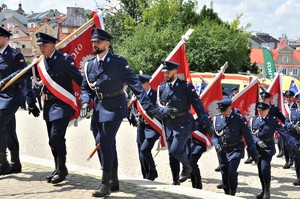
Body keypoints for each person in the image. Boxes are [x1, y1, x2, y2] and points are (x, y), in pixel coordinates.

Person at [80, 28, 159, 197]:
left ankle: (105, 184)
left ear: (107, 44)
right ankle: (114, 180)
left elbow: (135, 85)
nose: (95, 44)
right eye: (93, 42)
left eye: (98, 42)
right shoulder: (90, 65)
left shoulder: (118, 62)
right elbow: (85, 87)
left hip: (115, 106)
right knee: (104, 143)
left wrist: (148, 106)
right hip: (99, 107)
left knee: (105, 141)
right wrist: (86, 101)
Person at [35, 32, 83, 184]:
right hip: (48, 106)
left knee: (56, 137)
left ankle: (62, 169)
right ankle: (58, 167)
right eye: (40, 45)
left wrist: (91, 95)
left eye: (44, 45)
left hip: (63, 104)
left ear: (53, 45)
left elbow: (79, 79)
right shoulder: (40, 62)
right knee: (51, 140)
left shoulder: (64, 60)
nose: (41, 48)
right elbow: (32, 80)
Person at [157, 60, 212, 185]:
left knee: (175, 150)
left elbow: (198, 106)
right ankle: (175, 180)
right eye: (164, 73)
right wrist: (165, 110)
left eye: (168, 72)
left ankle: (187, 166)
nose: (166, 75)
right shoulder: (162, 87)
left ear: (175, 72)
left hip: (184, 122)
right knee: (172, 155)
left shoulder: (185, 86)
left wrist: (207, 124)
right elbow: (158, 105)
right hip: (169, 124)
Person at [0, 27, 40, 175]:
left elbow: (25, 74)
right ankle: (15, 164)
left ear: (6, 38)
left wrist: (30, 100)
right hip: (0, 97)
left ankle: (3, 164)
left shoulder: (15, 55)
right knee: (9, 129)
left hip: (11, 97)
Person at [212, 98, 259, 196]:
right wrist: (216, 145)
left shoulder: (239, 119)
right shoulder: (217, 118)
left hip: (235, 149)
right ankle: (226, 192)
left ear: (230, 108)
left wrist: (254, 154)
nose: (223, 113)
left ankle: (232, 192)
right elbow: (214, 136)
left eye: (224, 110)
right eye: (221, 111)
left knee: (231, 172)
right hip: (222, 150)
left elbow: (248, 137)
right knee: (224, 172)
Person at [251, 102, 297, 199]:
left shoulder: (272, 120)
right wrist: (257, 140)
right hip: (257, 149)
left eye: (262, 110)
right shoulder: (254, 120)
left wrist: (293, 144)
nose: (260, 112)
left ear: (267, 111)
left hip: (268, 148)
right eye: (259, 110)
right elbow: (250, 134)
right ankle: (263, 190)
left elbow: (283, 132)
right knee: (260, 171)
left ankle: (267, 191)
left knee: (265, 168)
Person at [245, 91, 286, 164]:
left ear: (269, 99)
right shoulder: (257, 106)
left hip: (268, 129)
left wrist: (286, 124)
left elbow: (281, 118)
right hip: (256, 129)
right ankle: (250, 156)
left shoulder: (273, 108)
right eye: (262, 98)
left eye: (265, 98)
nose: (263, 99)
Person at [135, 74, 160, 181]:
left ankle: (153, 170)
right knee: (140, 152)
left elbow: (160, 111)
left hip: (153, 127)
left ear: (147, 83)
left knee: (145, 150)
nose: (139, 86)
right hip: (141, 126)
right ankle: (145, 175)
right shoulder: (138, 95)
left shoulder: (156, 95)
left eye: (140, 84)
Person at [284, 94, 300, 186]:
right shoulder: (292, 112)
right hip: (295, 138)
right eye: (298, 102)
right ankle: (299, 176)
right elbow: (286, 122)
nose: (299, 103)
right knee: (297, 156)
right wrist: (293, 126)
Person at [282, 90, 296, 169]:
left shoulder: (296, 105)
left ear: (293, 97)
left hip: (293, 128)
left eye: (290, 97)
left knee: (293, 145)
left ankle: (292, 159)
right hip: (284, 128)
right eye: (286, 97)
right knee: (285, 146)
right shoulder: (282, 105)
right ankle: (287, 161)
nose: (288, 98)